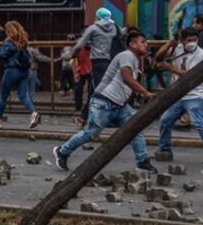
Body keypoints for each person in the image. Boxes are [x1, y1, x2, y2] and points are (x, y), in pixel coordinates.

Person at [53, 30, 157, 173]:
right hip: (104, 102)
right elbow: (127, 78)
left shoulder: (134, 59)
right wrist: (145, 92)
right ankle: (62, 151)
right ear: (132, 44)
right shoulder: (127, 55)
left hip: (119, 106)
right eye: (143, 42)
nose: (146, 45)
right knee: (90, 133)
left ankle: (142, 162)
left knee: (136, 127)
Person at [154, 29, 203, 159]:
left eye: (195, 40)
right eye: (189, 40)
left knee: (199, 124)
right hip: (178, 94)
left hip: (195, 95)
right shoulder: (178, 48)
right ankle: (164, 149)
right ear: (182, 40)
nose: (192, 43)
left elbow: (190, 75)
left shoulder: (200, 55)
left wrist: (169, 67)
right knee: (165, 120)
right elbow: (159, 57)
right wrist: (169, 45)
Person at [0, 21, 41, 129]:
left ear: (9, 31)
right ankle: (33, 113)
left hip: (11, 71)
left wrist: (3, 54)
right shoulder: (23, 42)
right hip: (24, 71)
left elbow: (0, 56)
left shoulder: (8, 43)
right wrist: (1, 30)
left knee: (3, 96)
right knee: (23, 95)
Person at [72, 7, 123, 104]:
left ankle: (99, 109)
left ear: (98, 17)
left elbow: (79, 46)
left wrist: (73, 55)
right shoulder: (116, 28)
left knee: (98, 87)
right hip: (113, 61)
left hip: (98, 62)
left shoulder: (93, 28)